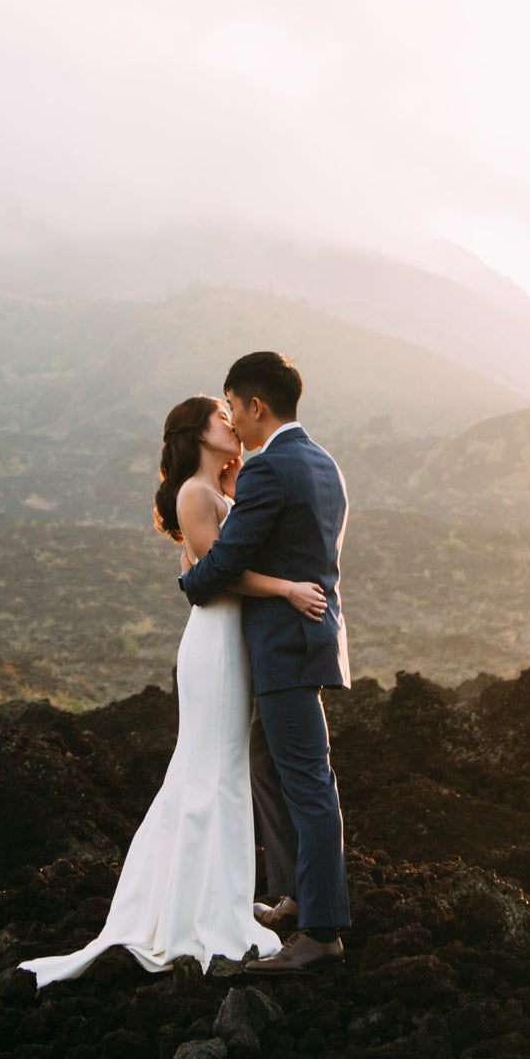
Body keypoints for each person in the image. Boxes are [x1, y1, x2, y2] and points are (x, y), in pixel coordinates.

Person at [17, 394, 329, 984]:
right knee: (210, 770)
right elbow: (220, 573)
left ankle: (215, 898)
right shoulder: (192, 492)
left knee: (222, 770)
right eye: (221, 417)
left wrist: (234, 485)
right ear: (197, 432)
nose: (231, 422)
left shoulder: (216, 489)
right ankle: (194, 908)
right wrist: (287, 589)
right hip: (215, 645)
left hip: (233, 642)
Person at [180, 350, 351, 975]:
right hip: (309, 640)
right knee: (269, 764)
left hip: (284, 648)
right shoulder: (323, 462)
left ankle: (321, 933)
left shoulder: (268, 469)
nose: (232, 418)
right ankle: (295, 895)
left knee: (308, 783)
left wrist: (191, 581)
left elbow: (226, 561)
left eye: (233, 405)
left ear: (256, 405)